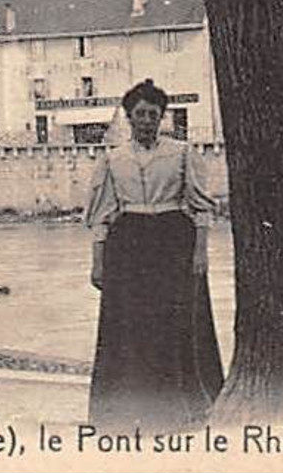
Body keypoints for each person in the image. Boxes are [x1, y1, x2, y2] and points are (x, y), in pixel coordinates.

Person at [85, 79, 224, 430]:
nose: (146, 121)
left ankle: (180, 405)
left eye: (153, 115)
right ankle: (128, 406)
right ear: (128, 118)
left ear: (162, 117)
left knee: (173, 322)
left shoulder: (181, 153)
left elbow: (200, 208)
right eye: (140, 115)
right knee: (129, 325)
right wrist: (98, 261)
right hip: (128, 244)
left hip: (172, 240)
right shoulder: (113, 159)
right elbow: (102, 215)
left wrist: (200, 252)